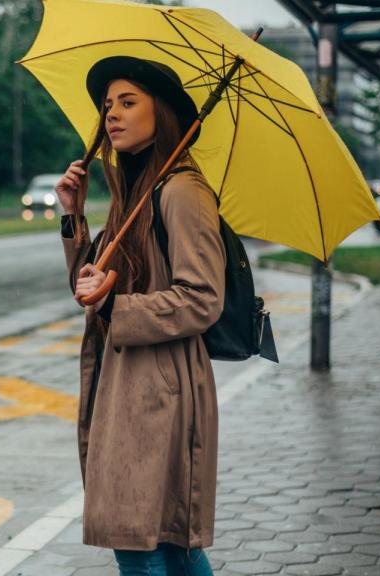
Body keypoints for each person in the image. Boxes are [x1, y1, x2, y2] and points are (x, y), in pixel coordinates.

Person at [53, 56, 226, 576]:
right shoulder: (135, 194)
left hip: (162, 392)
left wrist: (116, 305)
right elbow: (93, 284)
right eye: (108, 106)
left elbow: (202, 298)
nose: (112, 115)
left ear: (164, 114)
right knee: (168, 547)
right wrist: (72, 215)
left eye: (128, 103)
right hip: (131, 384)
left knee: (139, 542)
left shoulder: (182, 191)